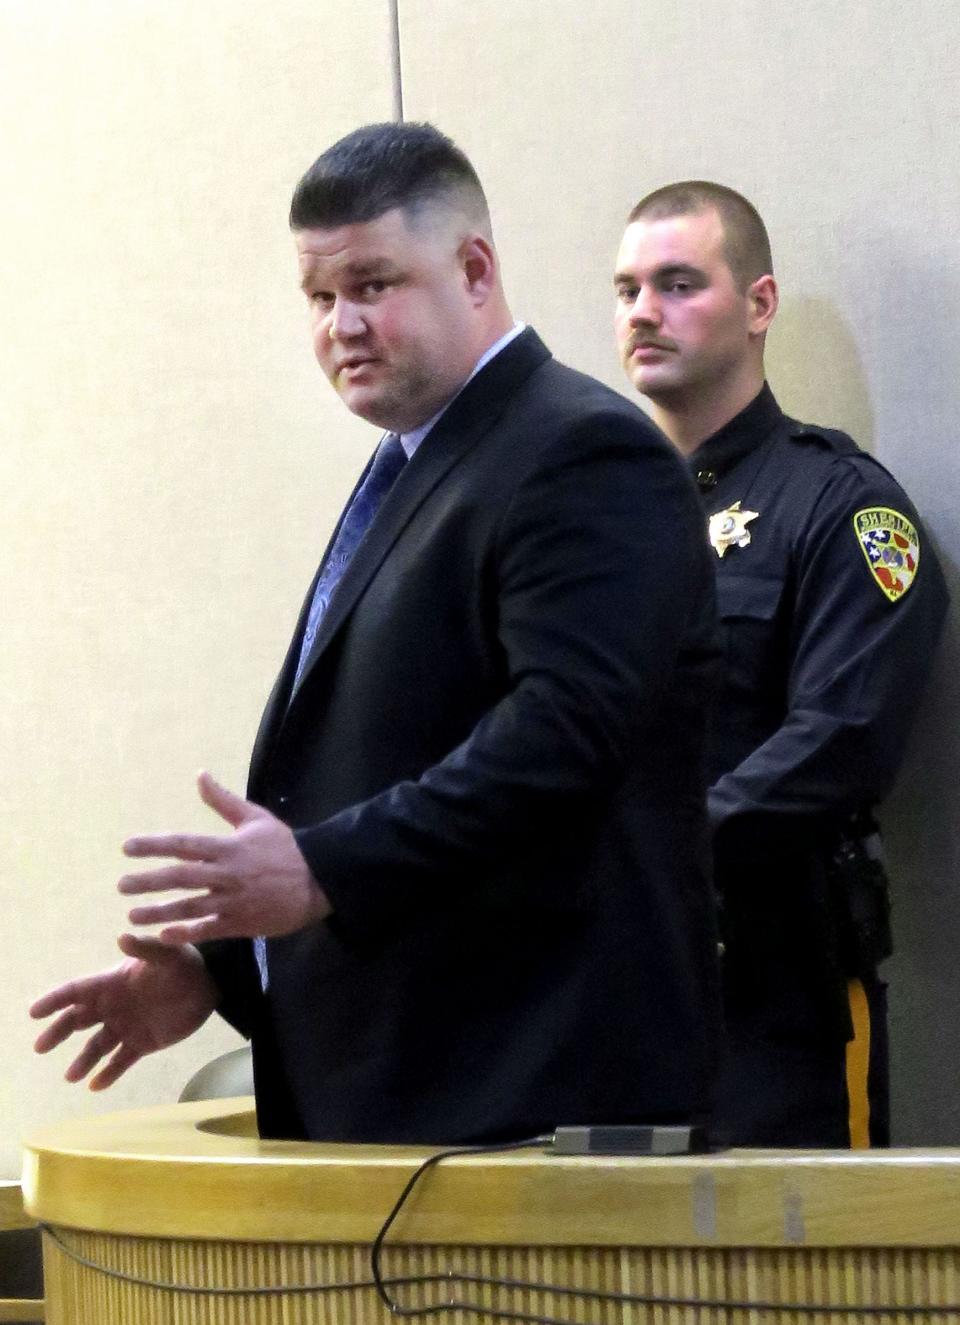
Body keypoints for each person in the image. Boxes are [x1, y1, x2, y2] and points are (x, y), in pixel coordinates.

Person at [32, 124, 721, 1145]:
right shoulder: (420, 460)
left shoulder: (580, 449)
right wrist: (227, 968)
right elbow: (379, 761)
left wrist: (319, 873)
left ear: (474, 268)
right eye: (319, 298)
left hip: (535, 1105)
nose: (341, 326)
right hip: (411, 1103)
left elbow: (562, 737)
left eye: (371, 284)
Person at [614, 180, 949, 1147]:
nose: (645, 311)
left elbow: (841, 742)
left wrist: (649, 854)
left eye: (679, 283)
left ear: (759, 305)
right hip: (608, 993)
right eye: (629, 288)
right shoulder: (600, 518)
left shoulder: (838, 505)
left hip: (774, 1001)